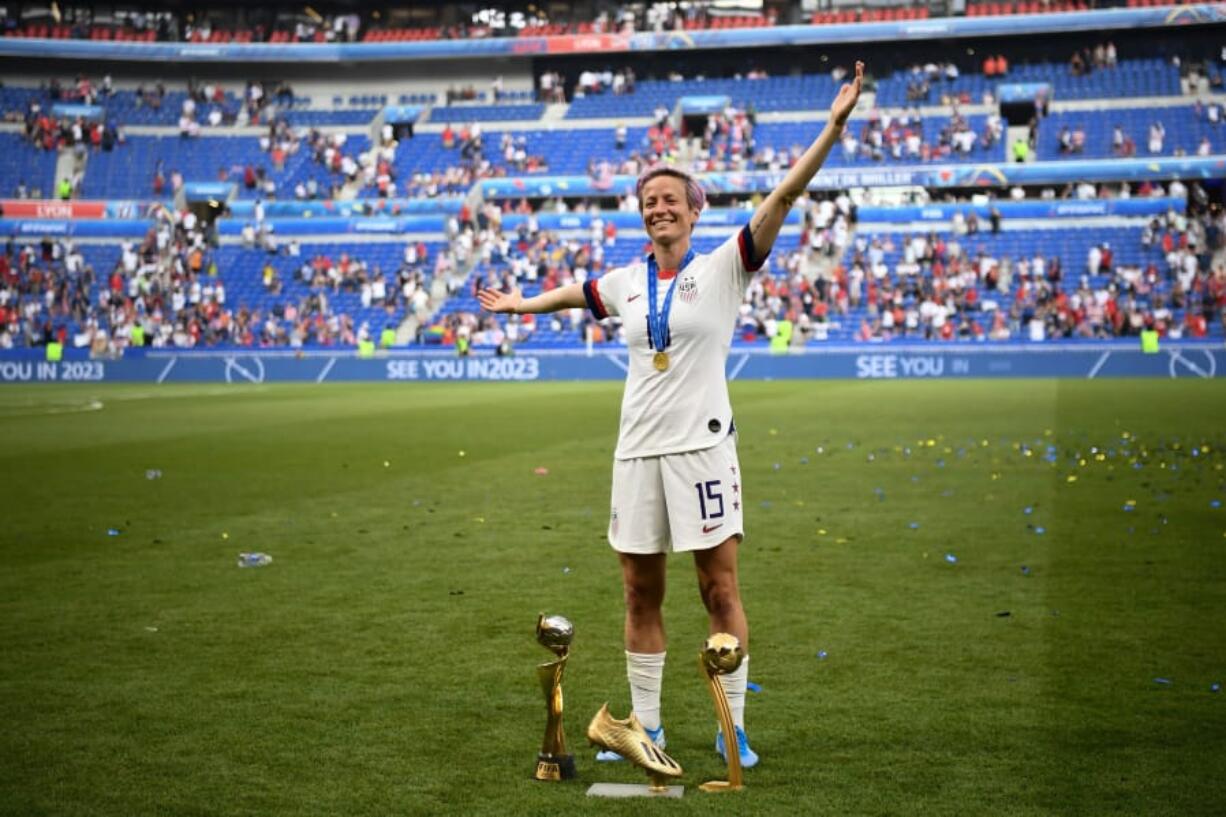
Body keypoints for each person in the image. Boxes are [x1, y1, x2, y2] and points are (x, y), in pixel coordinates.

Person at [478, 62, 865, 770]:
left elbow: (785, 192)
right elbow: (578, 293)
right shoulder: (626, 282)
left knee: (718, 587)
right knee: (637, 589)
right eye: (649, 200)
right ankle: (645, 728)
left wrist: (833, 127)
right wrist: (521, 306)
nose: (658, 208)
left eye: (670, 200)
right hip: (636, 453)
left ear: (693, 210)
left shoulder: (724, 266)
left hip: (702, 451)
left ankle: (731, 726)